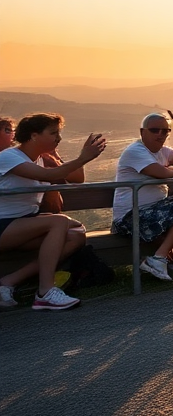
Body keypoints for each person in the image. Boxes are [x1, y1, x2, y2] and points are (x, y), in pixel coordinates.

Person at [0, 113, 104, 310]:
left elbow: (75, 178)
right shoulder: (8, 157)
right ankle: (45, 292)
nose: (59, 138)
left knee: (76, 234)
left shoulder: (40, 158)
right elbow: (50, 175)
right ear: (33, 136)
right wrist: (82, 157)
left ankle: (9, 281)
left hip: (22, 225)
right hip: (3, 225)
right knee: (58, 221)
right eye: (53, 133)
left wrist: (79, 157)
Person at [111, 104, 173, 280]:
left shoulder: (160, 151)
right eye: (154, 130)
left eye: (165, 131)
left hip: (150, 210)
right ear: (142, 132)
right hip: (130, 217)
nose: (160, 135)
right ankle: (159, 258)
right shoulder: (136, 151)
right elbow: (163, 173)